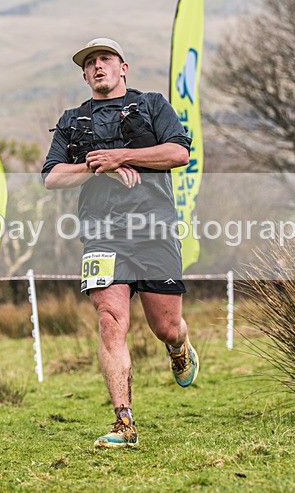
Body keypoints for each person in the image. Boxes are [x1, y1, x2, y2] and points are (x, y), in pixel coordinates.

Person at [42, 38, 199, 448]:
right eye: (90, 62)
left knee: (165, 326)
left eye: (105, 59)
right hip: (101, 233)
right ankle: (124, 423)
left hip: (154, 229)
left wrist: (122, 157)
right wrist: (97, 166)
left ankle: (179, 346)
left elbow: (178, 153)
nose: (98, 66)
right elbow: (52, 176)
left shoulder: (151, 105)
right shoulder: (73, 120)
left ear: (123, 67)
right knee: (110, 320)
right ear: (84, 75)